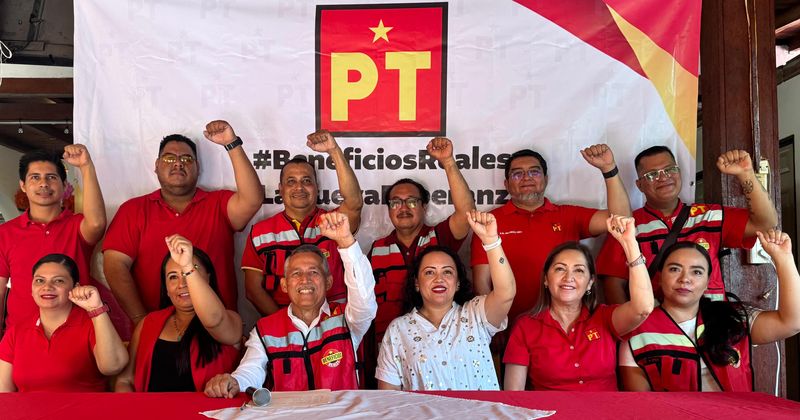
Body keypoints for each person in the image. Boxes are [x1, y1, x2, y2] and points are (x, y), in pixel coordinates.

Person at [103, 120, 264, 325]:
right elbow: (114, 266)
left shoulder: (218, 203)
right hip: (157, 329)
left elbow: (253, 199)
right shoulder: (133, 210)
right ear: (156, 166)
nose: (178, 163)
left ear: (197, 167)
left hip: (218, 327)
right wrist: (141, 321)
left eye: (187, 158)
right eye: (169, 158)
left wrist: (231, 143)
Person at [204, 212, 376, 395]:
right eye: (296, 274)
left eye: (314, 272)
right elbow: (250, 371)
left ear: (329, 283)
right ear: (284, 285)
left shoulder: (348, 320)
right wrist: (234, 382)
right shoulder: (265, 329)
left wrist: (346, 241)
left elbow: (365, 301)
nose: (305, 280)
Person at [619, 230, 800, 392]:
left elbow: (792, 322)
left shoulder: (732, 317)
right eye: (675, 269)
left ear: (707, 282)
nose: (685, 279)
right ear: (659, 278)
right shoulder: (636, 331)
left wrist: (783, 259)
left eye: (697, 272)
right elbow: (641, 405)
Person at [471, 145, 631, 324]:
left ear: (546, 179)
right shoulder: (489, 222)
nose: (526, 178)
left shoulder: (568, 215)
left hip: (564, 328)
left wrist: (609, 169)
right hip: (507, 328)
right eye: (517, 174)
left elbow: (622, 220)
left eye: (534, 172)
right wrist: (490, 326)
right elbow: (481, 284)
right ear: (506, 184)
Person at [598, 147, 778, 303]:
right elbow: (613, 284)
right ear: (639, 185)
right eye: (652, 175)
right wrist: (634, 331)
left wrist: (745, 174)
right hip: (658, 330)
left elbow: (765, 223)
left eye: (670, 169)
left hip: (712, 325)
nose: (664, 178)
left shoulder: (709, 216)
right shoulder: (627, 225)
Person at [365, 137, 475, 387]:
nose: (403, 207)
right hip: (390, 352)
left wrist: (447, 162)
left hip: (441, 354)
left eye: (412, 201)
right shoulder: (377, 248)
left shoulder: (440, 237)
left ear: (424, 206)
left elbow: (466, 213)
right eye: (396, 202)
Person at [503, 216, 654, 391]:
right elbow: (514, 396)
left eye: (579, 270)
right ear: (546, 279)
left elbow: (643, 308)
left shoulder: (605, 318)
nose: (569, 278)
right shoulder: (525, 326)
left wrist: (630, 245)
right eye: (560, 269)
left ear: (590, 282)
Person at [376, 210, 516, 391]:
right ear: (417, 283)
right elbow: (388, 399)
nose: (439, 278)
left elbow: (506, 292)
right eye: (429, 272)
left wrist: (491, 241)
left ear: (457, 283)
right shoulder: (398, 329)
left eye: (447, 272)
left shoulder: (475, 314)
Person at [241, 129, 363, 316]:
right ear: (280, 189)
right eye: (291, 182)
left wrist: (334, 151)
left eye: (306, 180)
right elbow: (253, 290)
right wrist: (287, 327)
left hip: (336, 324)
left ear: (316, 187)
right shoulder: (260, 231)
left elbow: (354, 203)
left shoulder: (334, 222)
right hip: (282, 330)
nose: (299, 187)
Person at [114, 235, 242, 392]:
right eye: (173, 277)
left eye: (191, 271)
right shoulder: (148, 323)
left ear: (208, 278)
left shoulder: (231, 319)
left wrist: (187, 264)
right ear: (166, 289)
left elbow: (214, 319)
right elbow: (125, 380)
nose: (182, 283)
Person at [0, 145, 106, 333]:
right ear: (23, 185)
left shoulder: (77, 226)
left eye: (51, 177)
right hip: (20, 336)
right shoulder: (6, 233)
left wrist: (86, 166)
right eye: (35, 177)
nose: (43, 184)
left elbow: (97, 224)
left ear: (64, 186)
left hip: (75, 333)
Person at [0, 254, 128, 391]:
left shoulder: (93, 323)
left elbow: (113, 366)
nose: (47, 287)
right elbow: (3, 393)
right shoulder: (16, 332)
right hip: (29, 412)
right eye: (39, 281)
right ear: (31, 289)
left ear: (75, 287)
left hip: (83, 411)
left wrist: (96, 308)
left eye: (58, 281)